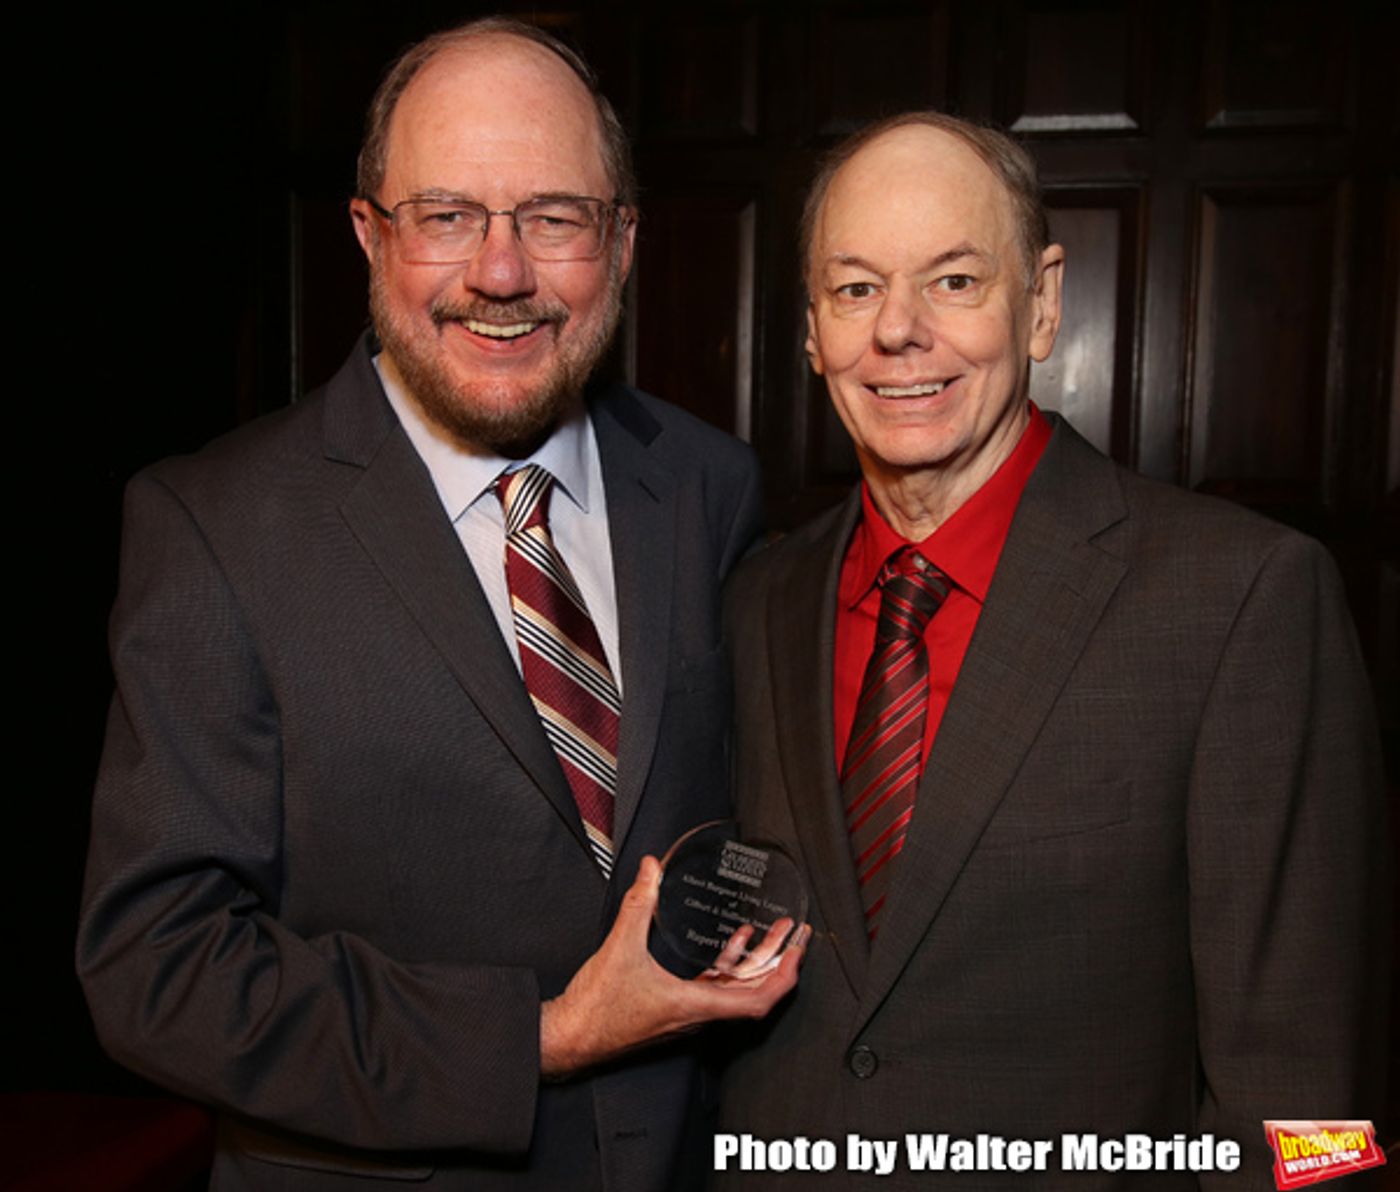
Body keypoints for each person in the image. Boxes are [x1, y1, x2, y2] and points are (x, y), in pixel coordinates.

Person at [77, 18, 799, 1191]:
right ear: (370, 235)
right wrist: (541, 1039)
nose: (499, 274)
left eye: (553, 216)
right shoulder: (215, 525)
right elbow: (157, 969)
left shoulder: (705, 485)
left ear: (622, 242)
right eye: (446, 215)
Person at [717, 112, 1387, 1189]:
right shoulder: (757, 599)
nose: (897, 330)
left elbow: (1304, 1084)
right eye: (855, 288)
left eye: (953, 281)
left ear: (1041, 304)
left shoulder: (1237, 598)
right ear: (809, 330)